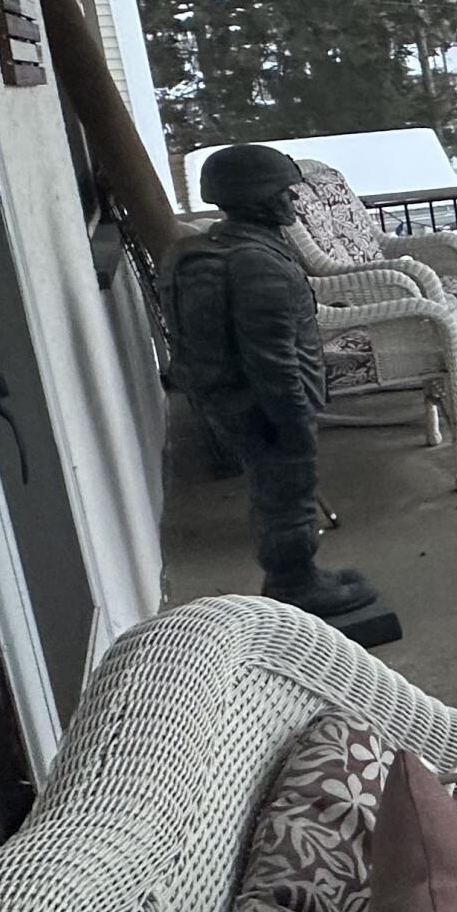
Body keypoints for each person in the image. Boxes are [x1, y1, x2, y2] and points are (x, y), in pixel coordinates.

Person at [170, 145, 378, 616]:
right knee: (289, 490)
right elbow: (273, 358)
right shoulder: (258, 264)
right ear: (258, 199)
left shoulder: (212, 246)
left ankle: (299, 573)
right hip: (270, 406)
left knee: (276, 489)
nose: (292, 202)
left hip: (238, 402)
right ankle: (294, 585)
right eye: (284, 193)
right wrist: (291, 420)